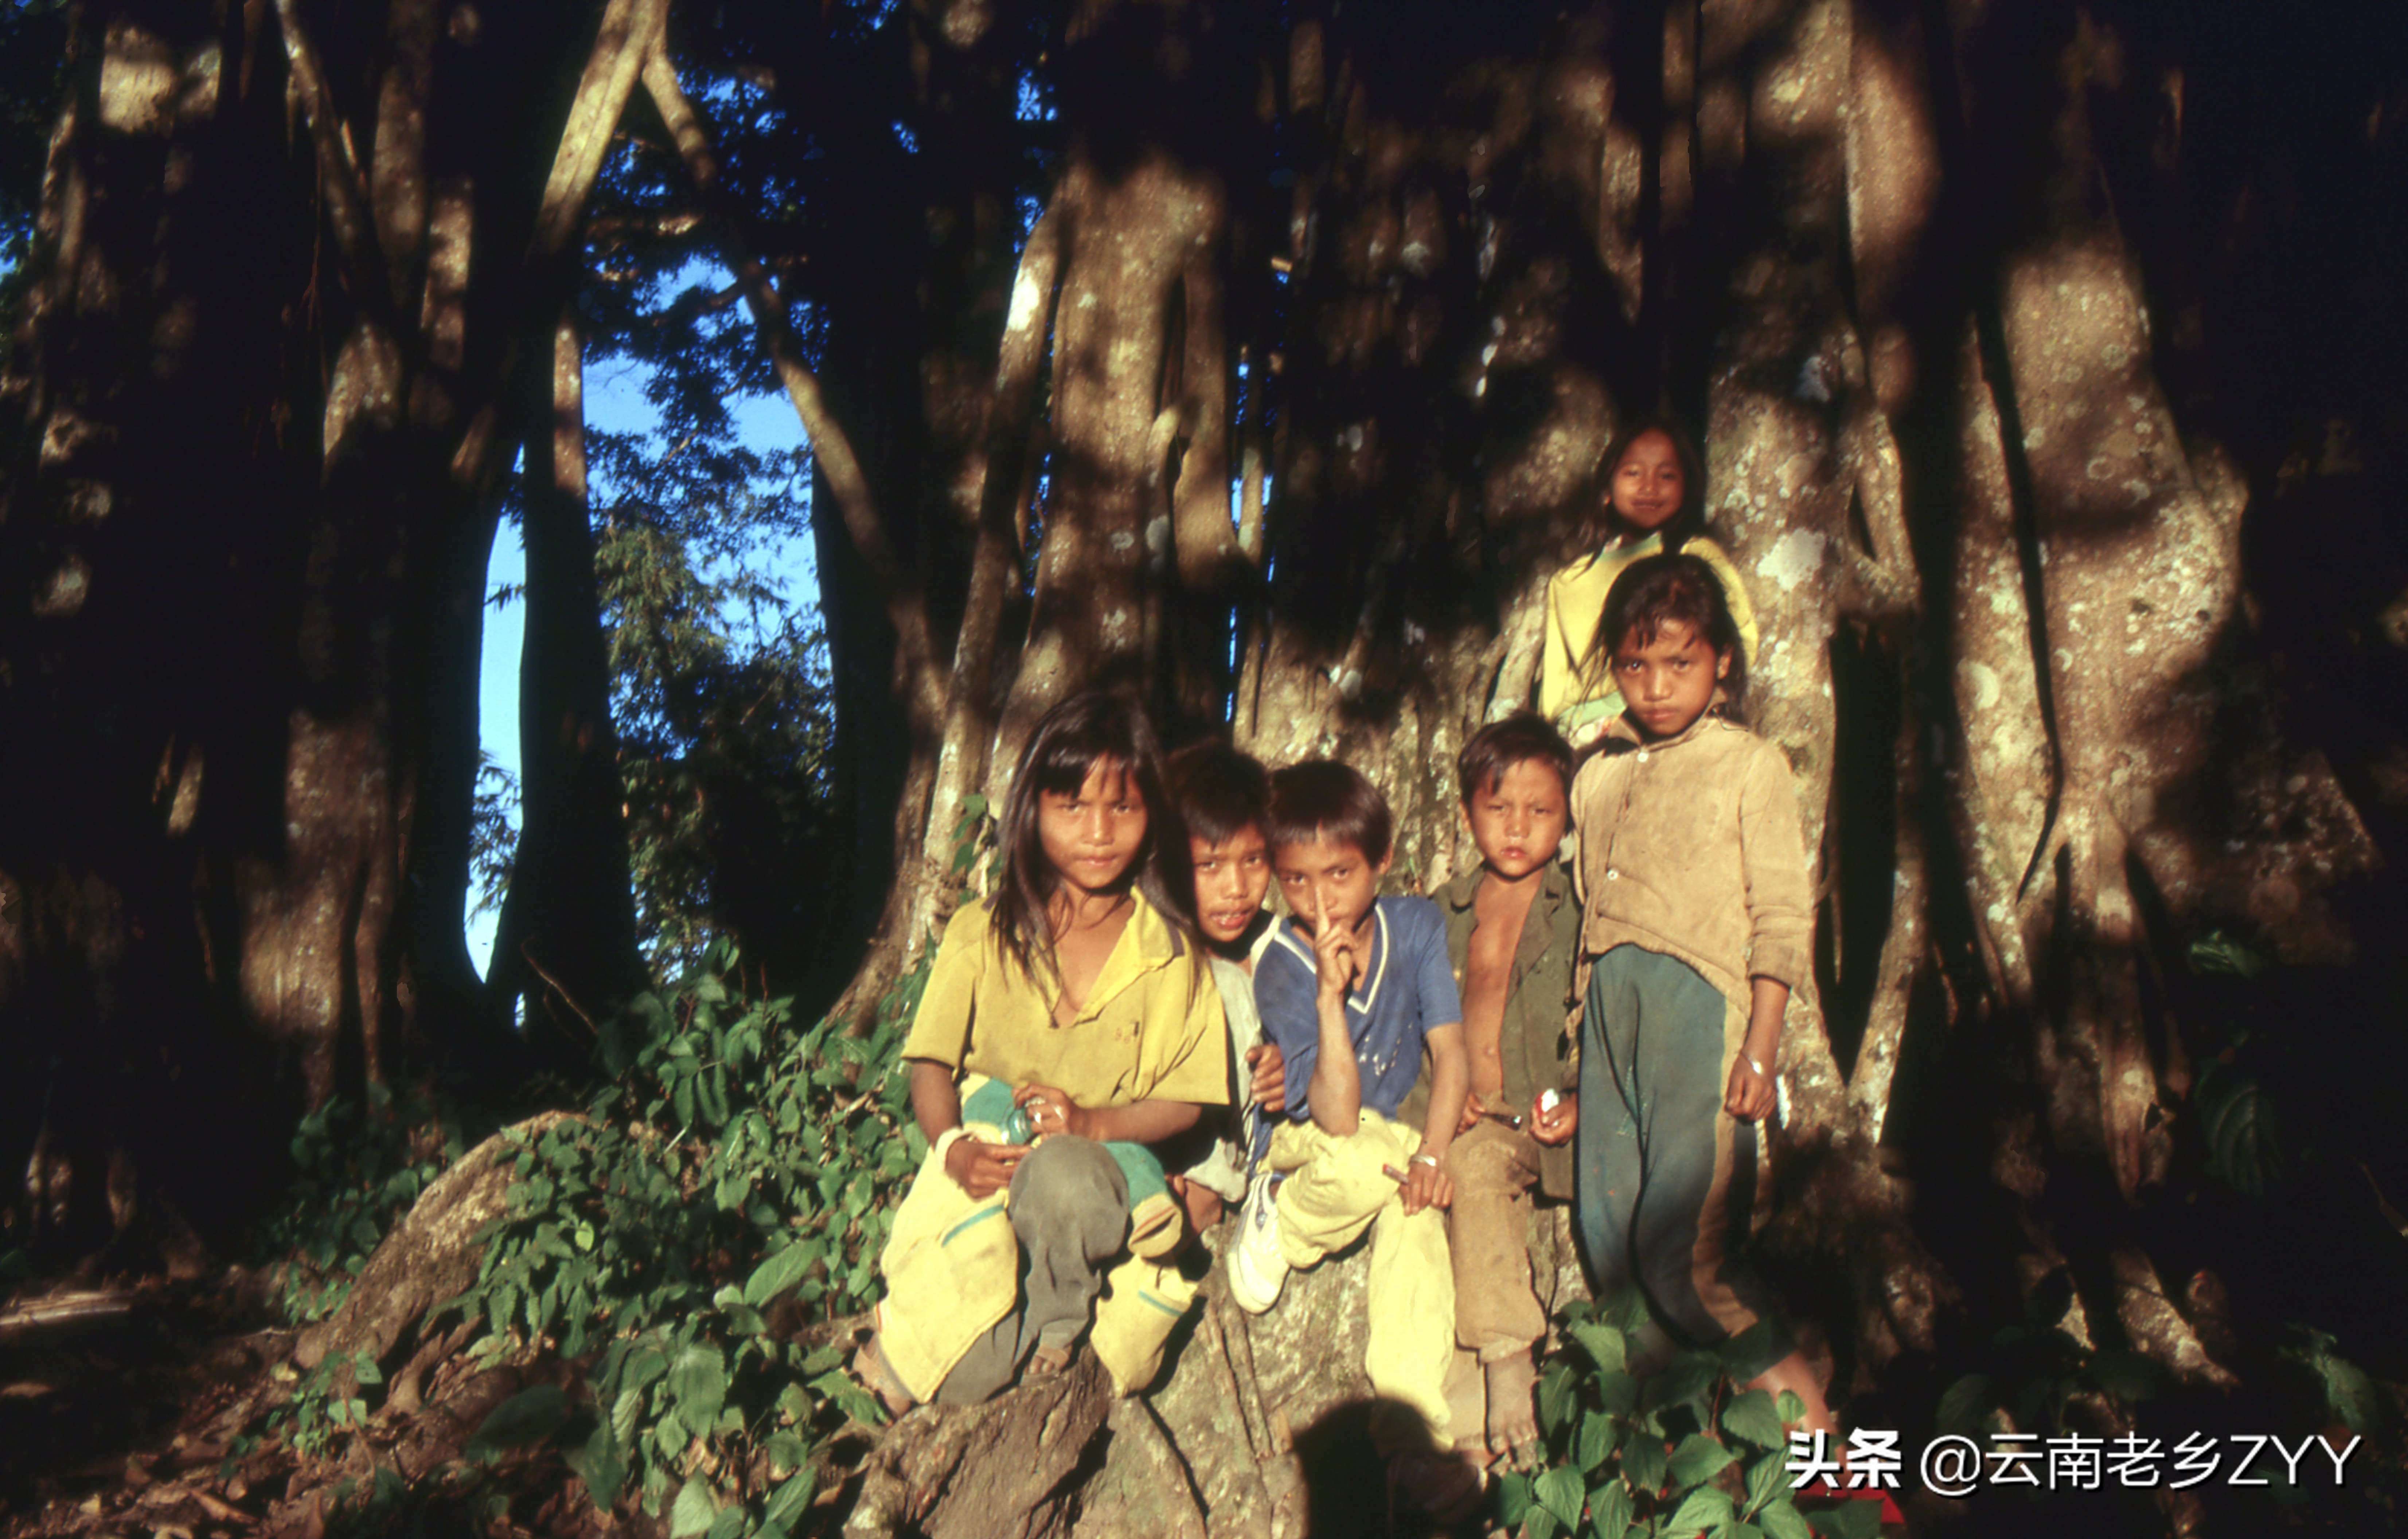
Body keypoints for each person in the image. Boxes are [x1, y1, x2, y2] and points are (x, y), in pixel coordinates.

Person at [856, 692, 1228, 1412]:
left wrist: (1092, 1125)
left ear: (1153, 817)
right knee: (962, 1362)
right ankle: (989, 1335)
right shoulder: (981, 931)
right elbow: (930, 1064)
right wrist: (954, 1146)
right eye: (1073, 806)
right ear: (1032, 810)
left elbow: (1187, 1099)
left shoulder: (1172, 952)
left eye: (1122, 808)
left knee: (1066, 1176)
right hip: (986, 1172)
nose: (1098, 832)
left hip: (1097, 1189)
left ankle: (1061, 1326)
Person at [1568, 552, 1838, 1441]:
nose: (1654, 685)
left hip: (1697, 1008)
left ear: (1720, 660)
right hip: (1608, 1008)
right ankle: (1693, 1469)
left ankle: (1833, 1460)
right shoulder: (1600, 769)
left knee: (1683, 1259)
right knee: (1607, 1248)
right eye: (1633, 664)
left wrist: (1759, 1047)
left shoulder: (1748, 763)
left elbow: (1779, 911)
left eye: (1678, 662)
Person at [1226, 759, 1474, 1505]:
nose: (1317, 898)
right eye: (1296, 880)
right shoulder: (1281, 959)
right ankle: (1280, 1219)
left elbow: (1450, 1050)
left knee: (1415, 1205)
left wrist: (1434, 1155)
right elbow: (1332, 1115)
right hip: (1310, 1140)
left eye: (1338, 874)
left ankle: (1412, 1439)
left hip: (1393, 1140)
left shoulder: (1418, 925)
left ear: (1382, 862)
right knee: (1375, 1163)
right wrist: (1331, 999)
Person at [1084, 740, 1289, 1392]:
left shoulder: (1280, 942)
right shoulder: (1140, 939)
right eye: (1209, 865)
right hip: (1143, 1144)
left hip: (1236, 1156)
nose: (1236, 887)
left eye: (1253, 860)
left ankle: (1198, 1202)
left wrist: (1294, 1060)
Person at [1408, 714, 1581, 1466]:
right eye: (1498, 809)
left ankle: (1510, 1354)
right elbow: (1409, 1028)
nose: (1518, 829)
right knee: (1433, 1189)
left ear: (1568, 814)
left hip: (1543, 1123)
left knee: (1473, 1168)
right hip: (1460, 1114)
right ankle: (1461, 1406)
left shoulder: (1578, 908)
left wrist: (1579, 1099)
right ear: (1467, 810)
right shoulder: (1438, 914)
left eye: (1540, 812)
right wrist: (1441, 1103)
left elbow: (1604, 1018)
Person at [1537, 419, 1761, 748]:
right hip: (1586, 740)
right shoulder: (1569, 581)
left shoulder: (1696, 556)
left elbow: (1742, 640)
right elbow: (1555, 690)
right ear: (1606, 490)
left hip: (1678, 726)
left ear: (1687, 488)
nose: (1649, 487)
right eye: (1633, 473)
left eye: (1666, 475)